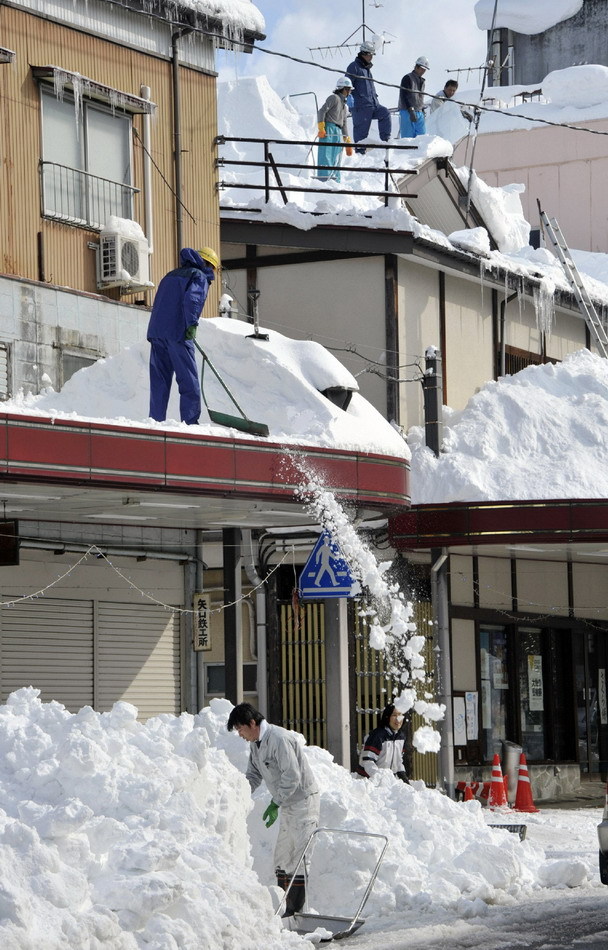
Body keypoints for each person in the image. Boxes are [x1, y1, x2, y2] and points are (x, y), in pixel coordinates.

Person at [227, 702, 320, 917]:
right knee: (282, 857)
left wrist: (275, 803)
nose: (240, 734)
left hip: (303, 802)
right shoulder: (256, 744)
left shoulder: (279, 739)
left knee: (298, 857)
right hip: (287, 803)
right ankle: (284, 907)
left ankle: (296, 912)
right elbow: (253, 775)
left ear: (252, 723)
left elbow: (292, 775)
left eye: (240, 729)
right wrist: (238, 796)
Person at [147, 246, 218, 425]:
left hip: (157, 333)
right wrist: (191, 325)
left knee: (159, 381)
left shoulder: (170, 275)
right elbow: (192, 300)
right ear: (208, 265)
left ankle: (155, 422)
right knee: (189, 381)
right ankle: (190, 422)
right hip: (178, 332)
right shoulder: (199, 276)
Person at [346, 40, 391, 154]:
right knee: (361, 134)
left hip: (373, 104)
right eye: (370, 55)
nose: (372, 57)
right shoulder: (354, 67)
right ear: (364, 54)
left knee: (385, 113)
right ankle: (360, 155)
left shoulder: (367, 69)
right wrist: (348, 97)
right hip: (361, 107)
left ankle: (386, 141)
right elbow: (347, 84)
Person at [356, 704, 410, 781]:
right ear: (387, 717)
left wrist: (405, 780)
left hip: (388, 783)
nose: (398, 719)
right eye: (394, 715)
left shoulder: (401, 737)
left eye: (400, 715)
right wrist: (380, 779)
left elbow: (398, 762)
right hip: (368, 783)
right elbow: (368, 761)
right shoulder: (377, 736)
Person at [316, 76, 354, 182]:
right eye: (349, 89)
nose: (350, 92)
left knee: (336, 156)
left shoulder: (344, 106)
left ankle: (335, 181)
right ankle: (324, 180)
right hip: (329, 129)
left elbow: (344, 124)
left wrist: (347, 143)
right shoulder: (334, 98)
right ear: (343, 88)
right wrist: (321, 127)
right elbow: (322, 111)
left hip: (338, 132)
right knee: (326, 155)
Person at [399, 56, 430, 139]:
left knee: (422, 138)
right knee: (407, 138)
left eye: (425, 69)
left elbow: (419, 98)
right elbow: (405, 95)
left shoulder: (422, 82)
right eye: (422, 69)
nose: (423, 71)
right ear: (416, 67)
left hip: (419, 111)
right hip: (407, 111)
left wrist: (421, 109)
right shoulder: (407, 78)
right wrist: (410, 109)